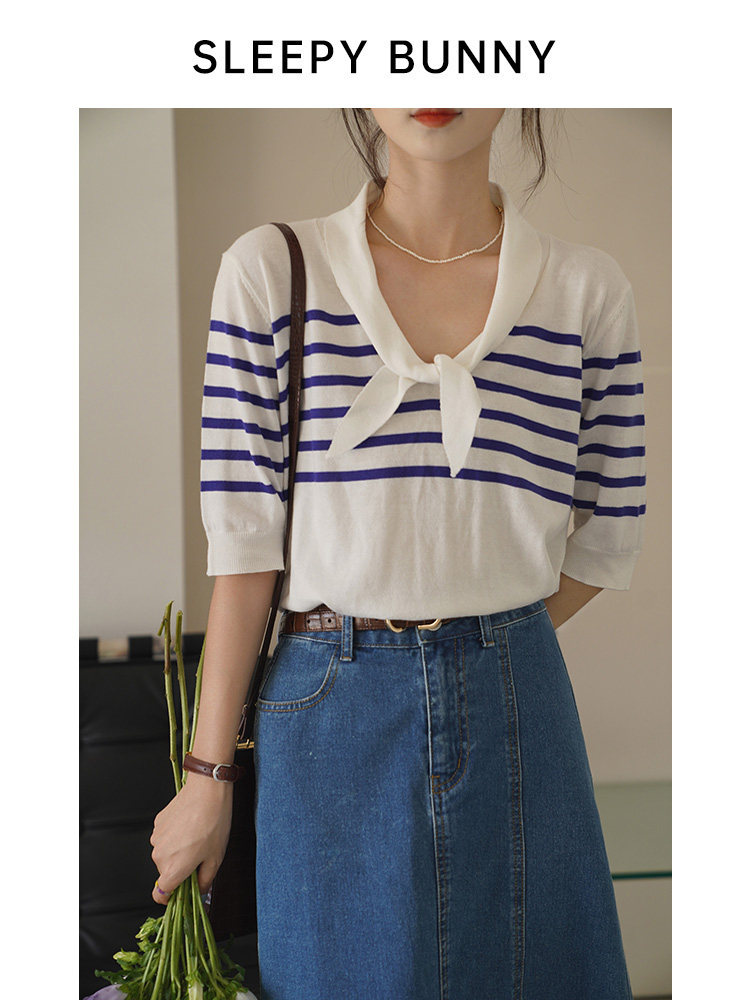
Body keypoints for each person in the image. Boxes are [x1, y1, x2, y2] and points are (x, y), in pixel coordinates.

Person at [150, 108, 646, 1000]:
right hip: (327, 709)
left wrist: (483, 633)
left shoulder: (586, 292)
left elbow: (607, 533)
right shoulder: (273, 271)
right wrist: (207, 776)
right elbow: (245, 550)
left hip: (518, 702)